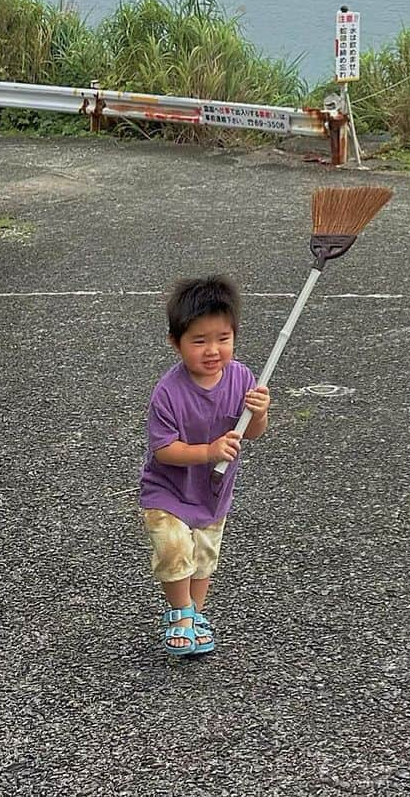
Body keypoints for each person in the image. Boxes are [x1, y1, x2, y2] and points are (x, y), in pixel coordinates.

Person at [139, 275, 270, 656]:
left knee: (203, 556)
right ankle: (180, 613)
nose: (213, 350)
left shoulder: (243, 379)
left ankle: (195, 614)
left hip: (214, 490)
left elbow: (252, 434)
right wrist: (208, 451)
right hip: (168, 490)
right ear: (175, 343)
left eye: (223, 339)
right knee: (174, 546)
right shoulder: (168, 392)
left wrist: (260, 415)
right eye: (199, 341)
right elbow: (164, 450)